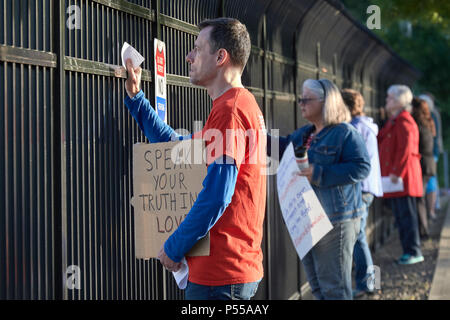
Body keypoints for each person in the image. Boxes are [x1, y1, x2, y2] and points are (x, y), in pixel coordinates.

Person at [124, 18, 267, 300]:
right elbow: (176, 149)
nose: (189, 56)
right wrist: (136, 97)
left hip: (221, 277)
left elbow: (217, 195)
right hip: (227, 272)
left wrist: (174, 247)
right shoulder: (236, 106)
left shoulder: (230, 111)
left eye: (197, 49)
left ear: (220, 56)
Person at [269, 79, 371, 300]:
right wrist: (251, 134)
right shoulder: (306, 133)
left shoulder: (345, 133)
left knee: (334, 289)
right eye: (300, 99)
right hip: (309, 219)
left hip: (335, 220)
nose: (301, 103)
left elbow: (362, 167)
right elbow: (283, 146)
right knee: (317, 288)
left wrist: (320, 173)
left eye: (306, 99)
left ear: (327, 102)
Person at [341, 89, 383, 298]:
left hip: (361, 188)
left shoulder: (355, 128)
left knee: (358, 238)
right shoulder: (366, 125)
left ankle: (369, 285)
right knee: (359, 237)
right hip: (369, 187)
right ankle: (370, 284)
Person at [378, 85, 424, 265]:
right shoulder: (395, 120)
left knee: (407, 216)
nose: (387, 100)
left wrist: (396, 172)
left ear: (398, 101)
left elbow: (406, 150)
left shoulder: (405, 122)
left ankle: (413, 251)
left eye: (389, 98)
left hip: (403, 178)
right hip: (398, 179)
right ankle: (409, 251)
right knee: (401, 216)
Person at [411, 97, 437, 239]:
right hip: (429, 163)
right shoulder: (428, 122)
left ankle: (423, 230)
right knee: (421, 198)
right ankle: (423, 228)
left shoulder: (417, 124)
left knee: (419, 199)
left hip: (423, 164)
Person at [419, 93, 442, 220]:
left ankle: (432, 209)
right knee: (430, 182)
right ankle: (431, 209)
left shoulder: (431, 116)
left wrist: (435, 154)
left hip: (431, 154)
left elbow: (434, 137)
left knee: (431, 182)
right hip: (430, 154)